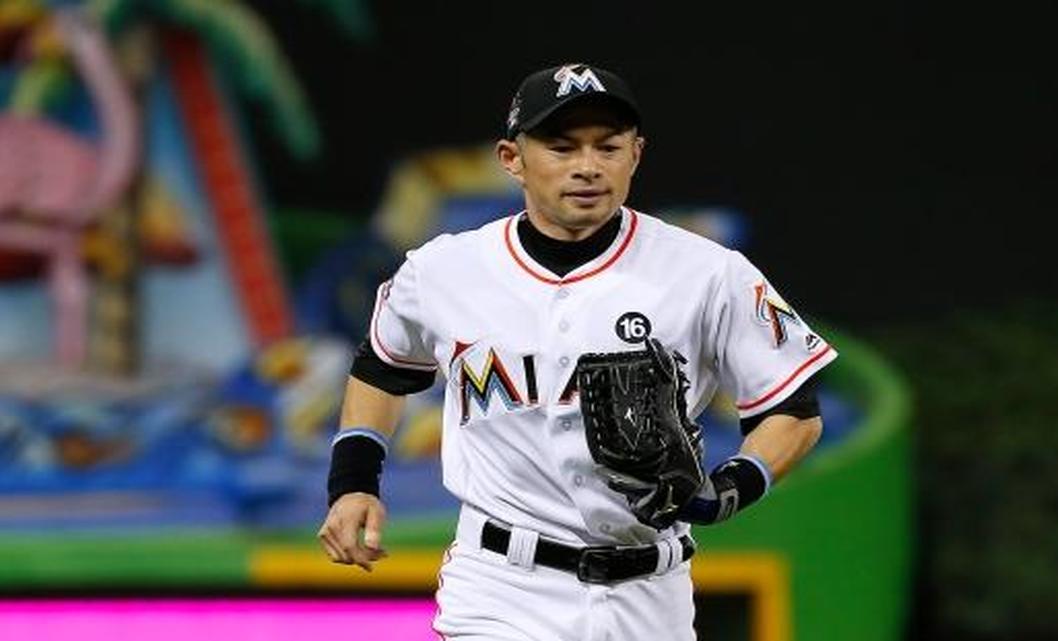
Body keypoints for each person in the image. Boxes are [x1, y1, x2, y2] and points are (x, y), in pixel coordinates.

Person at [317, 62, 838, 640]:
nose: (588, 166)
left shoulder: (708, 273)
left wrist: (734, 485)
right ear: (512, 159)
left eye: (608, 147)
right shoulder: (443, 270)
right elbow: (383, 369)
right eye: (562, 147)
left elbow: (794, 410)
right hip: (502, 587)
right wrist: (353, 483)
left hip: (652, 594)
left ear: (636, 154)